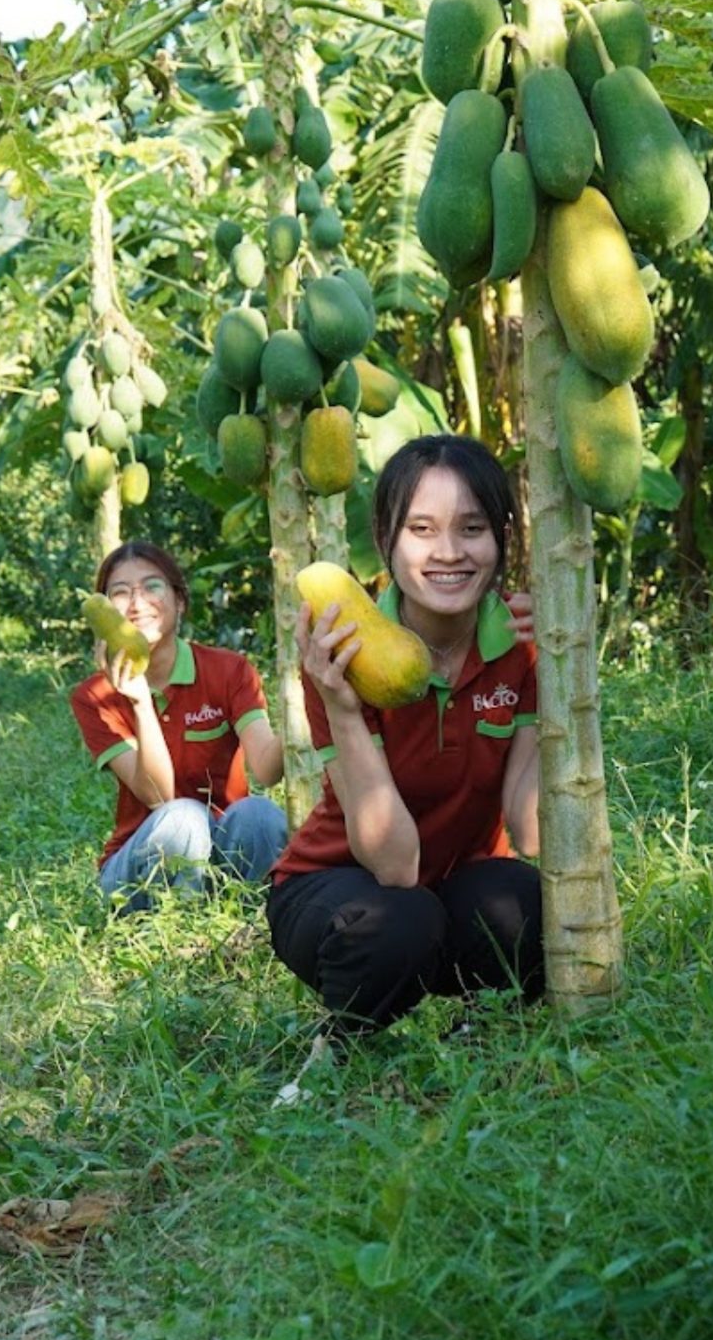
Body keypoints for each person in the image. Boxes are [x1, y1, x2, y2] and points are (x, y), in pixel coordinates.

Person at [267, 434, 544, 1033]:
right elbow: (395, 866)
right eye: (422, 530)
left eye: (472, 529)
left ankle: (480, 1033)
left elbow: (533, 829)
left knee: (533, 904)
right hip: (342, 891)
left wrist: (560, 673)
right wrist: (341, 708)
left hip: (460, 886)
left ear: (502, 538)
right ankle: (341, 1045)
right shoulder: (344, 651)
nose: (449, 552)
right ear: (386, 540)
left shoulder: (524, 650)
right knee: (399, 920)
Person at [68, 541, 288, 913]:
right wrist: (139, 701)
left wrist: (316, 701)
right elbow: (158, 797)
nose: (137, 604)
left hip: (226, 848)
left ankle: (252, 923)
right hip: (139, 871)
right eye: (120, 593)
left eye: (152, 587)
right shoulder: (95, 695)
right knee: (183, 817)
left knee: (261, 814)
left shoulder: (229, 670)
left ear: (180, 601)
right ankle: (182, 937)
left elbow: (267, 769)